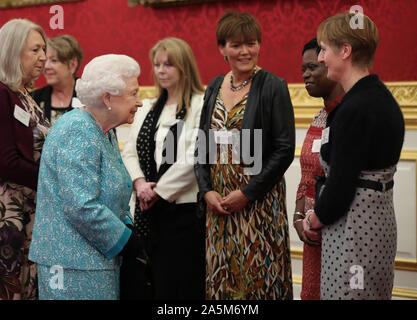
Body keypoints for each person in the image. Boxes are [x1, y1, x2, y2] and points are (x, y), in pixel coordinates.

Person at [303, 12, 405, 300]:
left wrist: (315, 217)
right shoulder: (381, 98)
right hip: (377, 225)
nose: (320, 58)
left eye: (323, 49)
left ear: (344, 51)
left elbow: (341, 184)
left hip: (355, 233)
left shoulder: (354, 108)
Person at [194, 11, 295, 300]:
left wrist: (247, 193)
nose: (245, 51)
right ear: (222, 49)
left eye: (251, 43)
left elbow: (284, 149)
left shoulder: (273, 85)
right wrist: (206, 192)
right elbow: (202, 144)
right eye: (236, 45)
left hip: (257, 205)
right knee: (222, 279)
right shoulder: (214, 85)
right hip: (219, 206)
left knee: (258, 282)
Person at [29, 54, 143, 300]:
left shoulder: (104, 129)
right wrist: (127, 241)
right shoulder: (77, 129)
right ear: (107, 98)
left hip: (93, 262)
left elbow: (115, 190)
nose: (140, 102)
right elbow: (81, 206)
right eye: (134, 94)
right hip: (71, 267)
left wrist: (129, 230)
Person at [122, 37, 206, 299]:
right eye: (157, 65)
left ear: (184, 67)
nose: (161, 70)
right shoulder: (147, 107)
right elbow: (129, 151)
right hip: (149, 211)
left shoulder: (200, 105)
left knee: (182, 285)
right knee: (154, 283)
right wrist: (139, 184)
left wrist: (159, 191)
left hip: (184, 212)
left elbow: (197, 156)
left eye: (168, 64)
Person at [0, 18, 49, 300]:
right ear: (12, 51)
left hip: (31, 210)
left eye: (43, 49)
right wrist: (53, 179)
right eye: (35, 50)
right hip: (9, 216)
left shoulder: (24, 95)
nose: (43, 57)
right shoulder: (2, 93)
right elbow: (6, 161)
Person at [293, 38, 344, 300]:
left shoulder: (349, 113)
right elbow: (306, 175)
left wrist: (316, 218)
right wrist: (298, 217)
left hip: (340, 230)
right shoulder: (319, 116)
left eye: (313, 67)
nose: (305, 74)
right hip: (312, 234)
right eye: (303, 69)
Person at [31, 35, 83, 125]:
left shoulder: (88, 97)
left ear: (72, 65)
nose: (46, 66)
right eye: (45, 60)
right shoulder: (35, 98)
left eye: (54, 61)